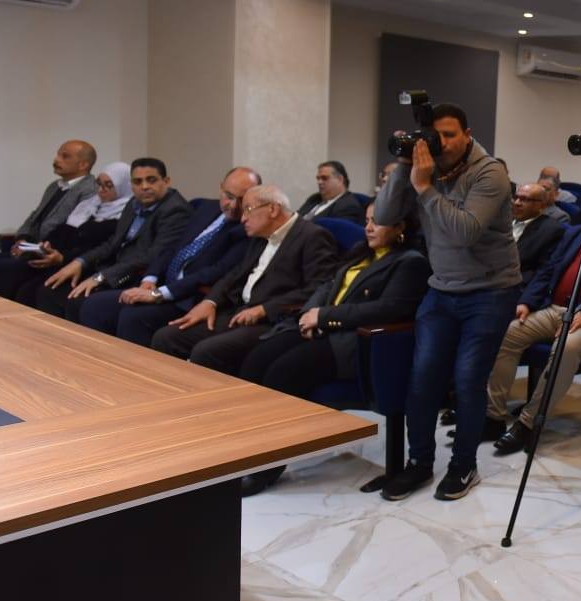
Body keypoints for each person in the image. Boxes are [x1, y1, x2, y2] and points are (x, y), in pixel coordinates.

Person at [371, 101, 521, 502]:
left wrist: (424, 188)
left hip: (490, 291)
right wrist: (405, 165)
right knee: (422, 379)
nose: (443, 143)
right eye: (435, 136)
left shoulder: (490, 172)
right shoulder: (426, 167)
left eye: (450, 135)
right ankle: (419, 463)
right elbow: (384, 215)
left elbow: (465, 232)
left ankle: (464, 466)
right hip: (442, 289)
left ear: (467, 135)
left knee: (467, 379)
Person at [236, 203, 429, 495]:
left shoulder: (410, 262)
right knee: (255, 361)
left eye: (377, 222)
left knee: (281, 374)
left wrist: (325, 317)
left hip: (353, 342)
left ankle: (266, 469)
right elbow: (326, 285)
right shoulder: (361, 252)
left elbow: (387, 309)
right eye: (366, 221)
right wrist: (310, 313)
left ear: (400, 227)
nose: (368, 228)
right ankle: (247, 451)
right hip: (322, 328)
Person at [486, 182, 581, 455]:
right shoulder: (577, 233)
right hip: (555, 308)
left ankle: (528, 423)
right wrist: (527, 302)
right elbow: (548, 270)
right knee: (511, 332)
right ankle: (493, 416)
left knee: (565, 349)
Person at [150, 184, 340, 372]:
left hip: (273, 321)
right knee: (167, 337)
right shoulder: (260, 236)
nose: (242, 219)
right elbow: (235, 274)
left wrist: (263, 309)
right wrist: (210, 302)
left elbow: (317, 289)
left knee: (206, 351)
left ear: (273, 209)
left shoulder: (313, 236)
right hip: (239, 312)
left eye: (248, 210)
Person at [76, 167, 258, 344]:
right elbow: (171, 246)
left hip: (189, 295)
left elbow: (215, 271)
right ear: (221, 188)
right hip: (161, 283)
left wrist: (158, 293)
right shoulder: (201, 206)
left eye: (242, 200)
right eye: (229, 196)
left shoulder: (248, 229)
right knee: (95, 305)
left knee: (133, 317)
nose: (234, 206)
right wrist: (150, 278)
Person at [34, 158, 192, 321]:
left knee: (79, 302)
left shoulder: (175, 210)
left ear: (166, 181)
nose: (144, 186)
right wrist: (80, 261)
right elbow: (113, 243)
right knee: (50, 290)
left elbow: (153, 255)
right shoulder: (134, 202)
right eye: (138, 181)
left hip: (139, 277)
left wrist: (101, 277)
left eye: (151, 180)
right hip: (114, 268)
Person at [0, 162, 126, 303]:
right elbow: (63, 230)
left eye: (108, 186)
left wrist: (63, 259)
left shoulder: (124, 214)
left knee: (33, 290)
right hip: (58, 258)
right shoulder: (90, 204)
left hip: (87, 267)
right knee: (17, 281)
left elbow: (102, 248)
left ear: (124, 186)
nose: (100, 190)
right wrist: (44, 246)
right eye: (99, 184)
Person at [511, 182, 563, 286]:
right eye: (516, 197)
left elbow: (540, 271)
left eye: (525, 199)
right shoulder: (503, 221)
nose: (517, 203)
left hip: (517, 284)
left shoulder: (550, 230)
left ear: (541, 205)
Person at [297, 161, 366, 224]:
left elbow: (334, 231)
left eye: (324, 178)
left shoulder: (348, 205)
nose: (319, 182)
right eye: (318, 178)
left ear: (340, 179)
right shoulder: (314, 198)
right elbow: (297, 217)